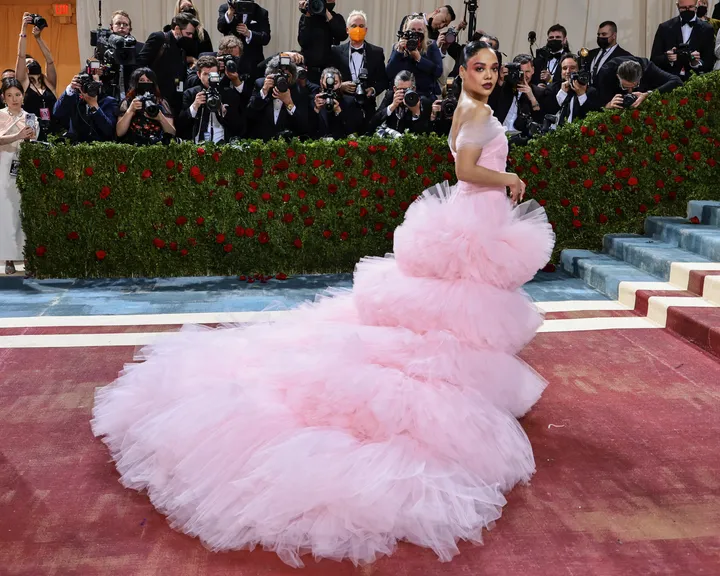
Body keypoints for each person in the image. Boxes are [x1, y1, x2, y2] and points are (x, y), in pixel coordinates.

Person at [91, 40, 554, 569]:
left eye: (495, 68)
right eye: (479, 67)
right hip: (475, 212)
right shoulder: (473, 108)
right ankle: (456, 387)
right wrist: (512, 178)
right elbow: (468, 169)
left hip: (472, 218)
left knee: (453, 313)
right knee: (453, 316)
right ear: (463, 69)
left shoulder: (469, 105)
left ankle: (470, 383)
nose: (489, 75)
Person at [0, 79, 39, 275]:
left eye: (17, 94)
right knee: (7, 214)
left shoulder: (30, 116)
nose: (14, 99)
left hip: (24, 166)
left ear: (23, 96)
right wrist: (17, 136)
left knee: (25, 213)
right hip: (3, 167)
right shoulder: (0, 116)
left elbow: (34, 139)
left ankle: (27, 257)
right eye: (10, 95)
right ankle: (8, 259)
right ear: (3, 98)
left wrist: (31, 136)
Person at [331, 10, 388, 128]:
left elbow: (383, 80)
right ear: (347, 30)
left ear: (366, 30)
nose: (358, 29)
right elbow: (328, 78)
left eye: (361, 26)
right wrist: (340, 86)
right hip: (343, 107)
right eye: (354, 26)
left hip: (367, 108)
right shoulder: (336, 51)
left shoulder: (377, 52)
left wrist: (373, 89)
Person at [137, 13, 198, 116]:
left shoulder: (182, 47)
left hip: (174, 100)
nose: (190, 37)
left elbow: (180, 74)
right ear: (177, 29)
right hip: (156, 98)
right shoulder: (159, 38)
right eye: (188, 33)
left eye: (192, 34)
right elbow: (140, 64)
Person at [178, 55, 245, 142]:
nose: (208, 78)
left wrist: (224, 112)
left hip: (224, 145)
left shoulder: (228, 94)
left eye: (212, 74)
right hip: (196, 145)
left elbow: (239, 127)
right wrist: (194, 106)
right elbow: (180, 126)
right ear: (198, 74)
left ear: (218, 74)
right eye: (205, 74)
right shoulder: (191, 94)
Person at [15, 13, 57, 141]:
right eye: (28, 63)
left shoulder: (48, 82)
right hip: (33, 133)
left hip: (53, 130)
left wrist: (38, 38)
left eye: (32, 60)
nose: (31, 62)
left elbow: (50, 60)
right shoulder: (23, 82)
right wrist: (24, 29)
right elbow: (21, 56)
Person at [650, 0, 715, 79]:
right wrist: (668, 58)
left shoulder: (707, 29)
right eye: (683, 8)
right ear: (677, 6)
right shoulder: (664, 28)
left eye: (691, 7)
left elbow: (710, 62)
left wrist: (696, 63)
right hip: (669, 80)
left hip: (695, 82)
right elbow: (654, 60)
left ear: (696, 5)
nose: (687, 10)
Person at [53, 66, 119, 142]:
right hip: (75, 146)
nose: (90, 86)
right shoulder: (74, 98)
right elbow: (57, 113)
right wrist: (70, 89)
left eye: (94, 83)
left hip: (99, 148)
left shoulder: (109, 101)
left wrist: (94, 106)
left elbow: (109, 131)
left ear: (101, 84)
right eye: (87, 83)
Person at [386, 15, 443, 99]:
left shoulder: (431, 46)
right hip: (401, 95)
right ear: (405, 31)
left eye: (419, 30)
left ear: (424, 32)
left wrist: (419, 59)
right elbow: (388, 74)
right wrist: (399, 52)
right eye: (412, 29)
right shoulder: (397, 48)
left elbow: (438, 71)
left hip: (424, 95)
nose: (416, 33)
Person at [116, 68, 176, 145]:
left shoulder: (161, 102)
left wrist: (160, 117)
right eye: (141, 80)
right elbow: (119, 132)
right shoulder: (127, 102)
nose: (145, 83)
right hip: (132, 146)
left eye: (149, 81)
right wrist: (130, 111)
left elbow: (172, 132)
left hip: (157, 146)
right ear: (135, 83)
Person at [598, 56, 682, 110]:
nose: (630, 91)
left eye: (635, 86)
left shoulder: (647, 67)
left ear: (641, 76)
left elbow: (676, 81)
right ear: (618, 76)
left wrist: (648, 94)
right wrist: (607, 105)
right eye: (625, 87)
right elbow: (594, 102)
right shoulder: (606, 72)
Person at [217, 0, 271, 80]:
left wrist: (249, 33)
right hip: (231, 58)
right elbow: (221, 28)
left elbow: (266, 38)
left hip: (252, 61)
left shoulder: (260, 12)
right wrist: (230, 14)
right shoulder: (225, 8)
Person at [298, 0, 348, 84]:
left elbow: (342, 35)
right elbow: (303, 41)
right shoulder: (306, 18)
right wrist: (307, 15)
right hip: (310, 72)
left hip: (329, 72)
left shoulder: (336, 17)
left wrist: (327, 14)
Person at [545, 53, 601, 124]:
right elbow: (548, 113)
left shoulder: (590, 91)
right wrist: (562, 93)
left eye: (572, 68)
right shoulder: (552, 89)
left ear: (579, 70)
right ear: (561, 71)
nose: (568, 71)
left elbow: (592, 117)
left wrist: (582, 95)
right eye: (565, 68)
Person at [586, 21, 633, 87]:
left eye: (604, 34)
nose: (600, 37)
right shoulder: (591, 54)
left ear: (614, 36)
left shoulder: (625, 57)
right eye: (598, 34)